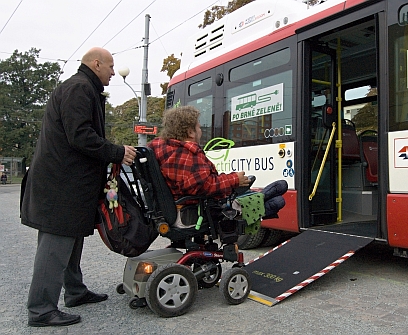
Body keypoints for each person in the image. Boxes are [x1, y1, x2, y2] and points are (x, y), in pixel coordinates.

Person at [20, 47, 137, 327]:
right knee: (56, 243)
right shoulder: (79, 88)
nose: (112, 72)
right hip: (62, 185)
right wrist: (117, 151)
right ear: (96, 64)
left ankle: (74, 291)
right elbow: (80, 135)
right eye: (110, 66)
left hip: (64, 183)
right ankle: (41, 310)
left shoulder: (82, 87)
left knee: (70, 238)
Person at [148, 106, 287, 228]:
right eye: (199, 127)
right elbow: (204, 185)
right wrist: (234, 180)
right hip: (195, 212)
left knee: (275, 189)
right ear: (190, 132)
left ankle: (258, 196)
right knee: (278, 200)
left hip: (179, 208)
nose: (201, 131)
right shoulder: (187, 154)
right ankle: (258, 198)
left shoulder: (161, 148)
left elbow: (197, 181)